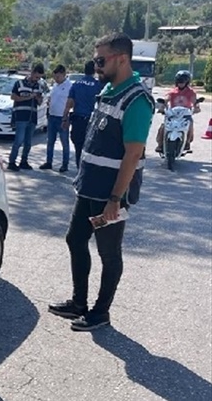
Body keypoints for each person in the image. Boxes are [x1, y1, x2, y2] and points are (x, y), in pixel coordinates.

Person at [48, 33, 155, 331]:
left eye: (100, 60)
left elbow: (133, 153)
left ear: (121, 59)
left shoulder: (137, 99)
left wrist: (115, 199)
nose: (96, 65)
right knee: (75, 239)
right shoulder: (108, 88)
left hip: (110, 192)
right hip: (89, 185)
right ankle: (78, 303)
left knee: (109, 253)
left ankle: (100, 312)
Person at [62, 61, 103, 168]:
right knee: (91, 147)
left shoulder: (76, 84)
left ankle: (79, 167)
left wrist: (64, 119)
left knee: (78, 146)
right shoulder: (98, 85)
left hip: (78, 120)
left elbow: (69, 104)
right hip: (92, 121)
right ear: (94, 70)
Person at [7, 62, 45, 171]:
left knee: (28, 142)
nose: (37, 79)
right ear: (32, 73)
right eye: (37, 76)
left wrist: (38, 99)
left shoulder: (39, 86)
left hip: (32, 117)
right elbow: (13, 97)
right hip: (21, 116)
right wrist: (28, 97)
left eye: (40, 77)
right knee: (18, 140)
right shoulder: (19, 83)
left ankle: (24, 161)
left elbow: (40, 102)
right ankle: (12, 162)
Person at [155, 70, 198, 153]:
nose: (180, 84)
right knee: (163, 127)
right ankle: (160, 144)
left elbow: (194, 102)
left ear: (187, 82)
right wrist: (162, 107)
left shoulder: (191, 92)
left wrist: (196, 107)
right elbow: (166, 99)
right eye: (179, 82)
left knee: (190, 125)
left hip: (185, 115)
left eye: (183, 82)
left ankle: (187, 143)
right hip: (173, 114)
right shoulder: (173, 92)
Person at [40, 64, 71, 172]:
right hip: (52, 116)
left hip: (62, 118)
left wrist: (66, 117)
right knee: (50, 142)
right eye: (54, 77)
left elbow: (71, 103)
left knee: (64, 143)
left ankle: (65, 164)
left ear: (63, 75)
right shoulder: (55, 86)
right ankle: (49, 162)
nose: (56, 79)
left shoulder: (69, 86)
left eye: (58, 77)